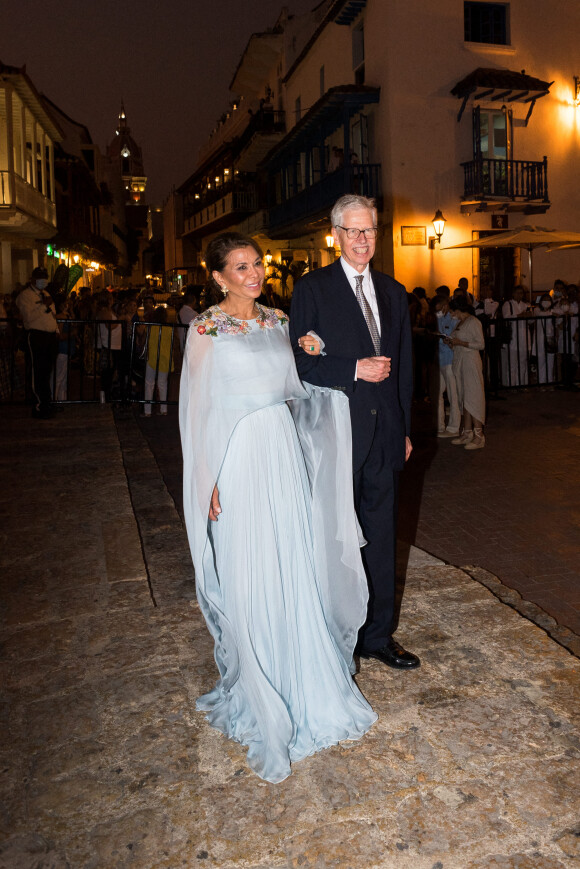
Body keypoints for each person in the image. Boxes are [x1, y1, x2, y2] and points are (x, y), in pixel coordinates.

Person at [179, 231, 377, 783]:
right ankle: (260, 680)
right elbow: (197, 411)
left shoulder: (278, 321)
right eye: (241, 267)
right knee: (252, 564)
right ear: (218, 276)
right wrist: (207, 478)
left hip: (281, 450)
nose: (254, 273)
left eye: (257, 264)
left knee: (293, 559)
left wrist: (336, 378)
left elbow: (296, 387)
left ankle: (303, 673)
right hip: (238, 456)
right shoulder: (205, 329)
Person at [290, 194, 419, 671]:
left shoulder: (393, 291)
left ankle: (377, 635)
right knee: (337, 539)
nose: (363, 240)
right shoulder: (313, 289)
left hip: (385, 434)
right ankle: (335, 631)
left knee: (382, 535)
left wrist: (403, 427)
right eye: (353, 231)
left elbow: (405, 366)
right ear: (336, 236)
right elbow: (300, 362)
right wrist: (353, 369)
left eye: (369, 231)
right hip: (337, 435)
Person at [15, 267, 58, 419]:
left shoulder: (46, 293)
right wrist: (42, 305)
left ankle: (47, 401)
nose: (43, 280)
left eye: (45, 277)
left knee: (47, 371)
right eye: (40, 277)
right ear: (32, 279)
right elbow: (28, 317)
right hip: (37, 336)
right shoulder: (24, 296)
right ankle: (39, 405)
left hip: (50, 336)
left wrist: (56, 331)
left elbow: (52, 315)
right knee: (38, 371)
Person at [445, 297, 486, 450]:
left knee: (474, 395)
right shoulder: (459, 323)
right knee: (463, 396)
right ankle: (467, 431)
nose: (450, 314)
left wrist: (460, 343)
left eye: (451, 311)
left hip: (470, 362)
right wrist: (451, 343)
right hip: (460, 361)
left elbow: (480, 344)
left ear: (458, 310)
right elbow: (459, 343)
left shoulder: (473, 322)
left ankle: (479, 435)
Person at [430, 295, 460, 437]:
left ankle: (454, 427)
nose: (438, 311)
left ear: (445, 305)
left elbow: (452, 337)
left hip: (450, 360)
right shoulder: (438, 317)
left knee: (453, 395)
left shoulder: (453, 318)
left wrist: (441, 337)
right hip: (440, 361)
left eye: (440, 308)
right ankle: (439, 425)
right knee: (437, 394)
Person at [143, 306, 174, 416]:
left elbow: (144, 341)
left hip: (152, 357)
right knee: (162, 383)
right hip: (165, 358)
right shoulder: (170, 328)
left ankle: (147, 410)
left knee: (149, 383)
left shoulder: (150, 327)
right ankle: (163, 409)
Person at [501, 286, 531, 387]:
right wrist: (519, 315)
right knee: (512, 363)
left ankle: (522, 384)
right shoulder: (508, 304)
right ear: (513, 294)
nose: (519, 295)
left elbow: (530, 322)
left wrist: (530, 316)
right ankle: (512, 385)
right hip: (513, 337)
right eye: (517, 293)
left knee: (523, 363)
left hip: (523, 337)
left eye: (521, 293)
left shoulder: (525, 305)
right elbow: (506, 317)